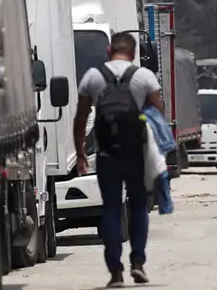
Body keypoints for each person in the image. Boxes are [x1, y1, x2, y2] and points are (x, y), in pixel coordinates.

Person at [73, 32, 162, 287]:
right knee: (138, 208)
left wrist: (80, 153)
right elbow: (158, 113)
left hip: (106, 154)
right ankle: (138, 263)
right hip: (136, 153)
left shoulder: (93, 76)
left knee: (111, 209)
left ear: (109, 49)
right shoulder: (144, 76)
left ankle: (115, 272)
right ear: (133, 53)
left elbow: (80, 118)